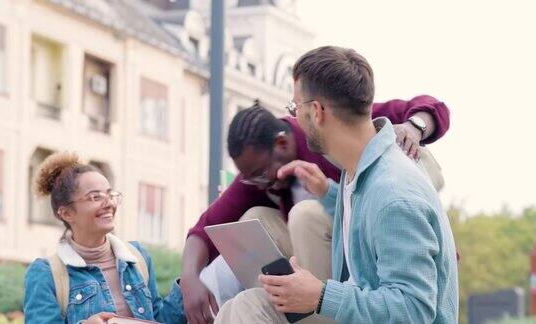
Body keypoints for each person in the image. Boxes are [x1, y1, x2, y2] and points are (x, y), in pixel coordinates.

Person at [213, 45, 459, 323]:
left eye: (295, 108)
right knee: (244, 306)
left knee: (248, 311)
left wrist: (320, 295)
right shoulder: (357, 172)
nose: (295, 118)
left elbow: (414, 310)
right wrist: (327, 192)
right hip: (356, 311)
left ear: (317, 111)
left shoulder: (394, 194)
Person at [23, 152, 185, 324]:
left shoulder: (137, 258)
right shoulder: (45, 274)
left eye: (109, 195)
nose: (109, 203)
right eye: (95, 197)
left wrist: (188, 283)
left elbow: (159, 320)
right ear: (67, 213)